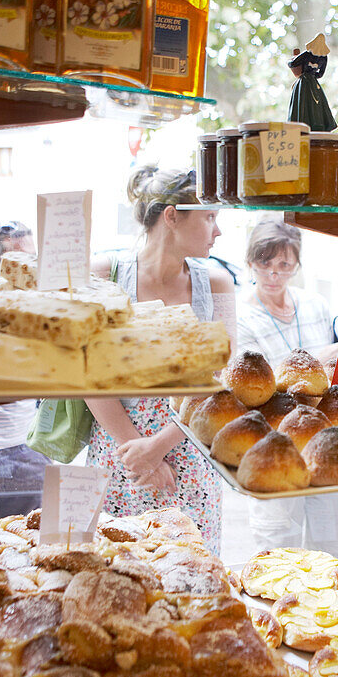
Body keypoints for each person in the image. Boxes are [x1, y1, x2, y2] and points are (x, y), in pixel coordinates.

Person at [86, 167, 236, 551]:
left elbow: (224, 374)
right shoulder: (106, 274)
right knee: (116, 572)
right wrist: (140, 451)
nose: (217, 231)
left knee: (192, 574)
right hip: (121, 451)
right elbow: (85, 372)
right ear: (172, 216)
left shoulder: (215, 282)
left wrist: (161, 445)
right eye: (210, 218)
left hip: (190, 449)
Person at [237, 219, 338, 555]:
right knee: (278, 550)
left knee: (327, 550)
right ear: (250, 262)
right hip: (275, 444)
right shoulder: (241, 316)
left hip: (324, 439)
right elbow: (253, 385)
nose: (273, 274)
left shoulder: (315, 305)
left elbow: (330, 373)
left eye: (284, 264)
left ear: (296, 265)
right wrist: (320, 356)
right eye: (264, 263)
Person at [0, 221, 51, 523]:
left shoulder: (40, 313)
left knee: (26, 547)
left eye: (32, 260)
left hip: (27, 452)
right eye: (18, 262)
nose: (28, 270)